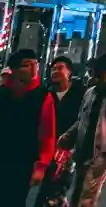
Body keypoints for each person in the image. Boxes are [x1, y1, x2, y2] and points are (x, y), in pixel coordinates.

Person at [59, 54, 106, 207]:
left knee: (88, 197)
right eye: (94, 74)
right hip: (81, 150)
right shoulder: (90, 93)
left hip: (101, 153)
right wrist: (68, 136)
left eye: (100, 75)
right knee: (76, 192)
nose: (95, 78)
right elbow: (81, 120)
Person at [0, 48, 56, 205]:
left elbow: (47, 135)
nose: (33, 69)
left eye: (35, 64)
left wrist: (41, 165)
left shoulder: (43, 96)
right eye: (27, 65)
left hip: (24, 163)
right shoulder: (3, 94)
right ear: (14, 70)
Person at [49, 56, 86, 138]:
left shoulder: (82, 94)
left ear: (70, 72)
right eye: (53, 69)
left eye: (60, 68)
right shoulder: (46, 95)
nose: (55, 71)